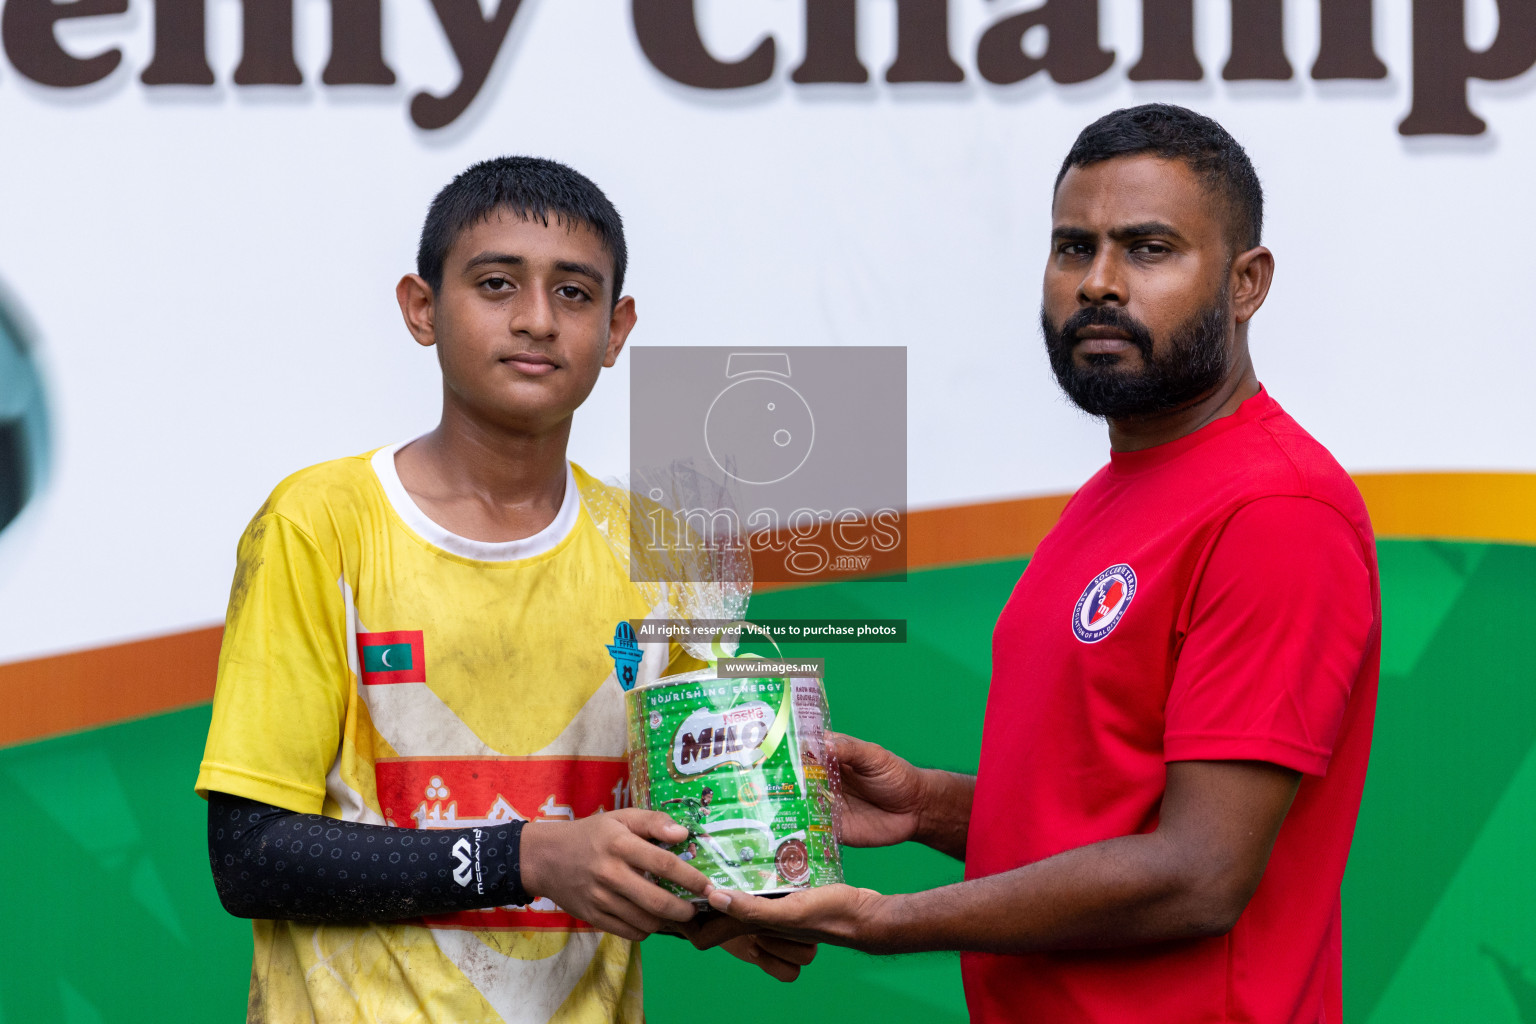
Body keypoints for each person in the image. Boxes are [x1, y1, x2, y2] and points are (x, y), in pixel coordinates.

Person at [700, 104, 1379, 1024]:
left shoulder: (1276, 512)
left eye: (1148, 249)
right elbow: (1105, 818)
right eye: (1073, 248)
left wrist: (889, 919)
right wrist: (928, 808)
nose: (1099, 284)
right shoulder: (1120, 492)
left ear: (1245, 281)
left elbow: (1198, 874)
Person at [196, 156, 812, 1024]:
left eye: (573, 294)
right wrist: (523, 857)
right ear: (421, 308)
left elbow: (671, 826)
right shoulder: (319, 523)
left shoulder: (661, 549)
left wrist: (724, 895)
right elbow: (251, 857)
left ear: (616, 329)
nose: (536, 321)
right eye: (495, 284)